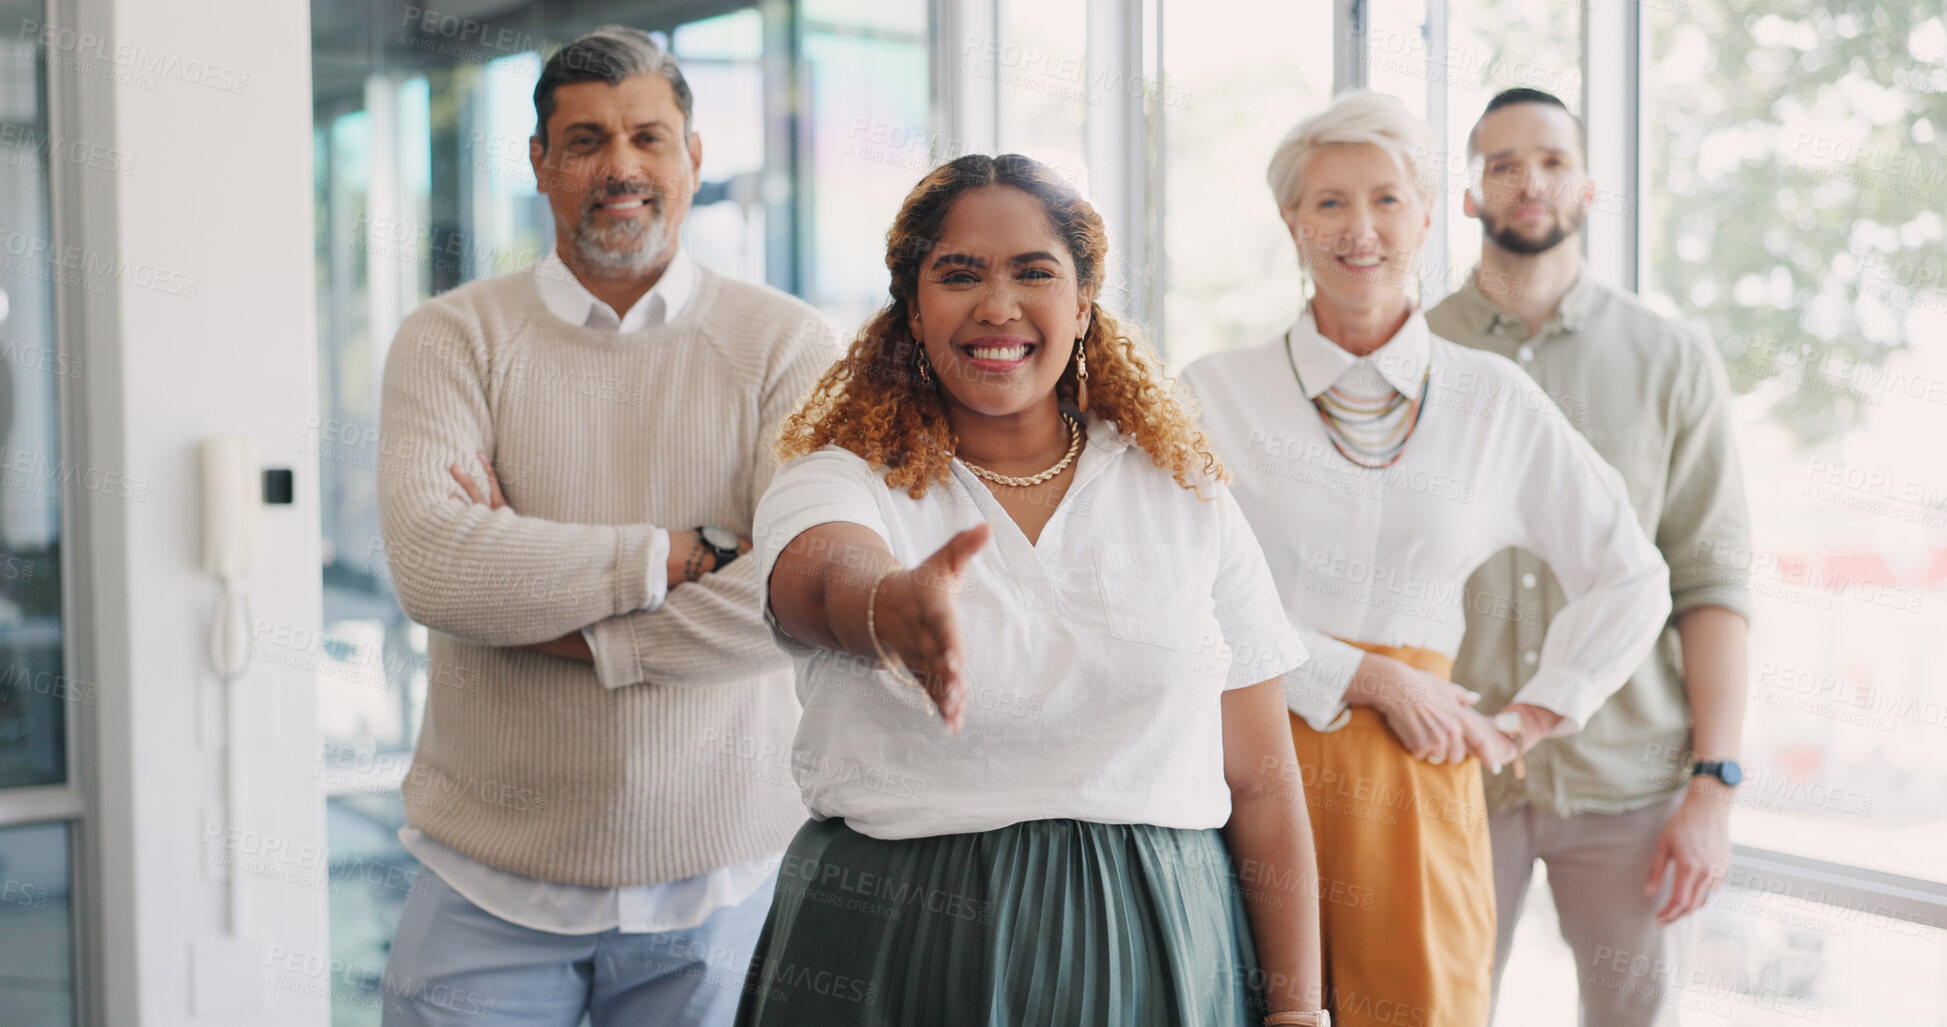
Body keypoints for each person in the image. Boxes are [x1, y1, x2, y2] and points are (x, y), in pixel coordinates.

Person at [735, 153, 1328, 1027]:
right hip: (893, 940)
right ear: (912, 307)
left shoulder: (1182, 492)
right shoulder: (839, 477)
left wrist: (1298, 1011)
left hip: (1163, 940)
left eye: (1034, 273)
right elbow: (819, 576)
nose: (996, 305)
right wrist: (890, 607)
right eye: (958, 274)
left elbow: (1265, 781)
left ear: (1083, 304)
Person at [1179, 90, 1672, 1027]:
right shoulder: (1214, 391)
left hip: (1417, 777)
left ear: (1429, 215)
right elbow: (1176, 591)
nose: (1358, 228)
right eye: (1327, 202)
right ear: (1291, 220)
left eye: (1386, 199)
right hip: (1237, 761)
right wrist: (1360, 673)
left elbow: (1630, 575)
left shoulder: (1494, 399)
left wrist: (1528, 718)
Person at [374, 27, 835, 1026]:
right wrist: (679, 553)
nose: (620, 166)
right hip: (484, 883)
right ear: (541, 163)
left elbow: (789, 599)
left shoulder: (787, 346)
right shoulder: (451, 339)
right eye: (585, 140)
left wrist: (549, 612)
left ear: (694, 158)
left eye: (648, 137)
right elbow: (435, 567)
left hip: (720, 884)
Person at [1426, 87, 1752, 1027]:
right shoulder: (1412, 355)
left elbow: (1710, 581)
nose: (1529, 181)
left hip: (1632, 787)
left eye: (1552, 161)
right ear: (1468, 195)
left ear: (1588, 187)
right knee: (1429, 1011)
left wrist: (1714, 786)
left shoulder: (1670, 359)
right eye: (1502, 164)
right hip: (1452, 772)